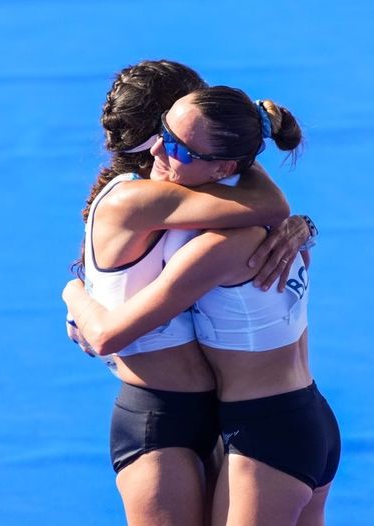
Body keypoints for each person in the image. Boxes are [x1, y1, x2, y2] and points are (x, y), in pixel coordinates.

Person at [63, 85, 340, 526]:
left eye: (178, 147)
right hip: (305, 416)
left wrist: (72, 292)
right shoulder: (281, 231)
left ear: (225, 165)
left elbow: (104, 335)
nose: (157, 147)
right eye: (162, 132)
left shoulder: (218, 245)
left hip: (261, 432)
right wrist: (304, 225)